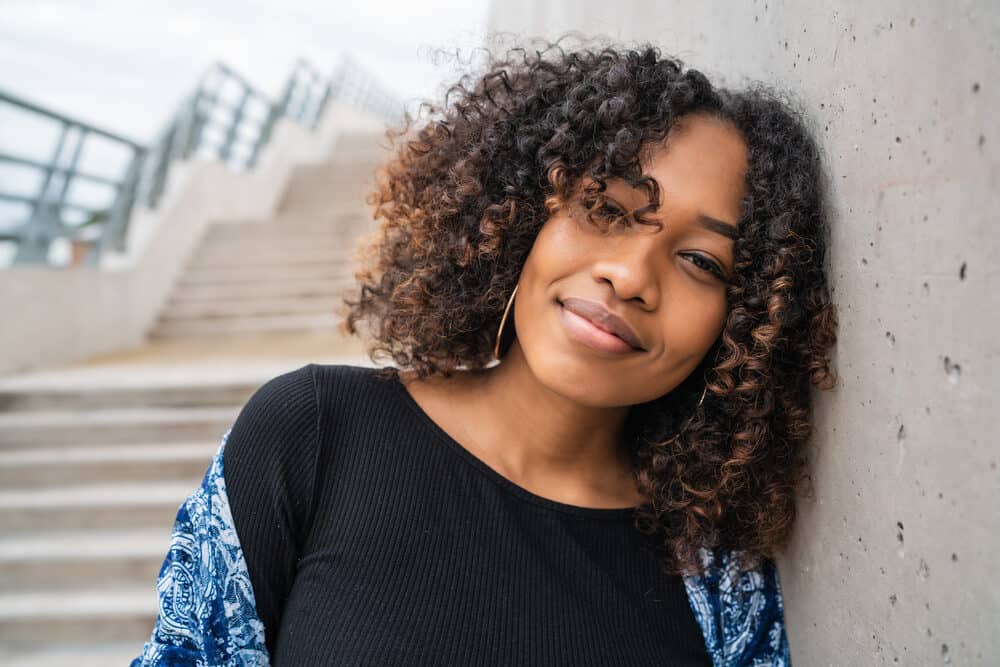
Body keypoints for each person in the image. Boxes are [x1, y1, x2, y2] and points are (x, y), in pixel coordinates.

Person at [132, 39, 837, 666]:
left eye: (701, 262)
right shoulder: (312, 436)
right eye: (608, 209)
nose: (630, 275)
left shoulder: (717, 580)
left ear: (742, 322)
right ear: (528, 209)